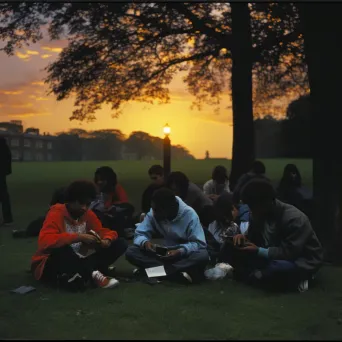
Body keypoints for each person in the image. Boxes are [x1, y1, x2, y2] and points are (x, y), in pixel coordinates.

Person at [222, 179, 323, 292]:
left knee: (277, 268)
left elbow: (289, 253)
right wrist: (243, 238)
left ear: (267, 203)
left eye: (253, 206)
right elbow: (254, 240)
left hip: (297, 260)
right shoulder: (256, 214)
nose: (251, 210)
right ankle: (259, 276)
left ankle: (300, 278)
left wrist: (259, 250)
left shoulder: (294, 219)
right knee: (229, 247)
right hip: (269, 256)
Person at [31, 180, 128, 291]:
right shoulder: (56, 213)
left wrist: (107, 239)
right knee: (62, 249)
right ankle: (93, 274)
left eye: (88, 204)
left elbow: (102, 231)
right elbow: (45, 241)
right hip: (54, 261)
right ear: (71, 200)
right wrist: (79, 237)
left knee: (120, 243)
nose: (84, 208)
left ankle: (86, 273)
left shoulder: (87, 214)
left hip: (81, 257)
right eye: (81, 203)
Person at [125, 188, 209, 284]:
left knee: (202, 255)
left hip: (183, 254)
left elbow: (199, 243)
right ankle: (176, 273)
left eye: (157, 210)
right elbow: (140, 233)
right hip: (164, 252)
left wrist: (180, 251)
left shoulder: (189, 215)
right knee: (131, 251)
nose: (153, 213)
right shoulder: (154, 213)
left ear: (168, 209)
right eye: (153, 209)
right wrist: (145, 243)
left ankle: (158, 272)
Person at [91, 166, 134, 238]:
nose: (99, 182)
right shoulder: (96, 190)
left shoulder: (116, 188)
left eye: (102, 180)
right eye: (98, 180)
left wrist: (112, 206)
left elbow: (125, 203)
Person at [0, 137, 13, 226]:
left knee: (3, 196)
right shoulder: (4, 145)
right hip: (2, 173)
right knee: (4, 196)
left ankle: (7, 219)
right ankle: (8, 219)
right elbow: (8, 158)